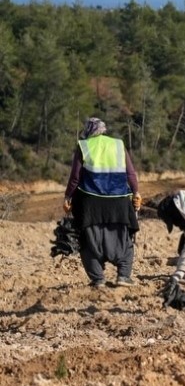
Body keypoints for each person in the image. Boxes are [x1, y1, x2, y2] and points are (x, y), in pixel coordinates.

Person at [62, 117, 141, 288]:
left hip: (90, 203)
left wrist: (68, 197)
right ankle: (123, 276)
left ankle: (98, 279)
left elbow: (75, 178)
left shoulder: (84, 146)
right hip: (118, 201)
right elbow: (131, 174)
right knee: (124, 237)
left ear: (88, 131)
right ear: (103, 130)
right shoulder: (118, 145)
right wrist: (136, 192)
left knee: (88, 239)